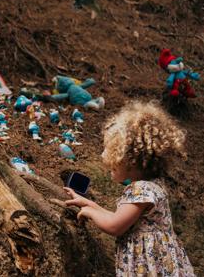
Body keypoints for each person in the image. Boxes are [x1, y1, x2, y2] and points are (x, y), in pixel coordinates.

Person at [64, 101, 194, 276]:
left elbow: (115, 226)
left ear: (131, 161)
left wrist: (90, 213)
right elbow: (120, 219)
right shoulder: (152, 186)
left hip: (149, 267)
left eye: (111, 153)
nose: (105, 157)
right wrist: (88, 204)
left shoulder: (140, 190)